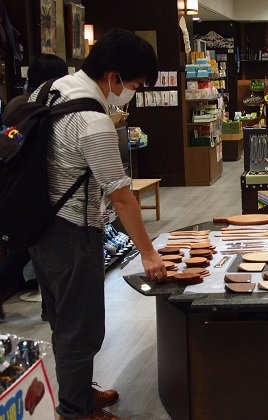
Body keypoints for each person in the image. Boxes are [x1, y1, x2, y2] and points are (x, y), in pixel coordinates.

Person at [27, 28, 166, 420]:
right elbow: (120, 196)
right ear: (113, 76)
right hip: (73, 231)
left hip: (38, 227)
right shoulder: (92, 120)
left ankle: (77, 393)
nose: (131, 93)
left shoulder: (48, 91)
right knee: (82, 328)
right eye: (133, 85)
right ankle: (76, 411)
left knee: (63, 320)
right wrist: (148, 253)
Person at [0, 53, 69, 321]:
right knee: (30, 247)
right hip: (36, 189)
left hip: (18, 187)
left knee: (28, 246)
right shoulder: (42, 106)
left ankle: (48, 307)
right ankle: (48, 307)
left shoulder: (17, 104)